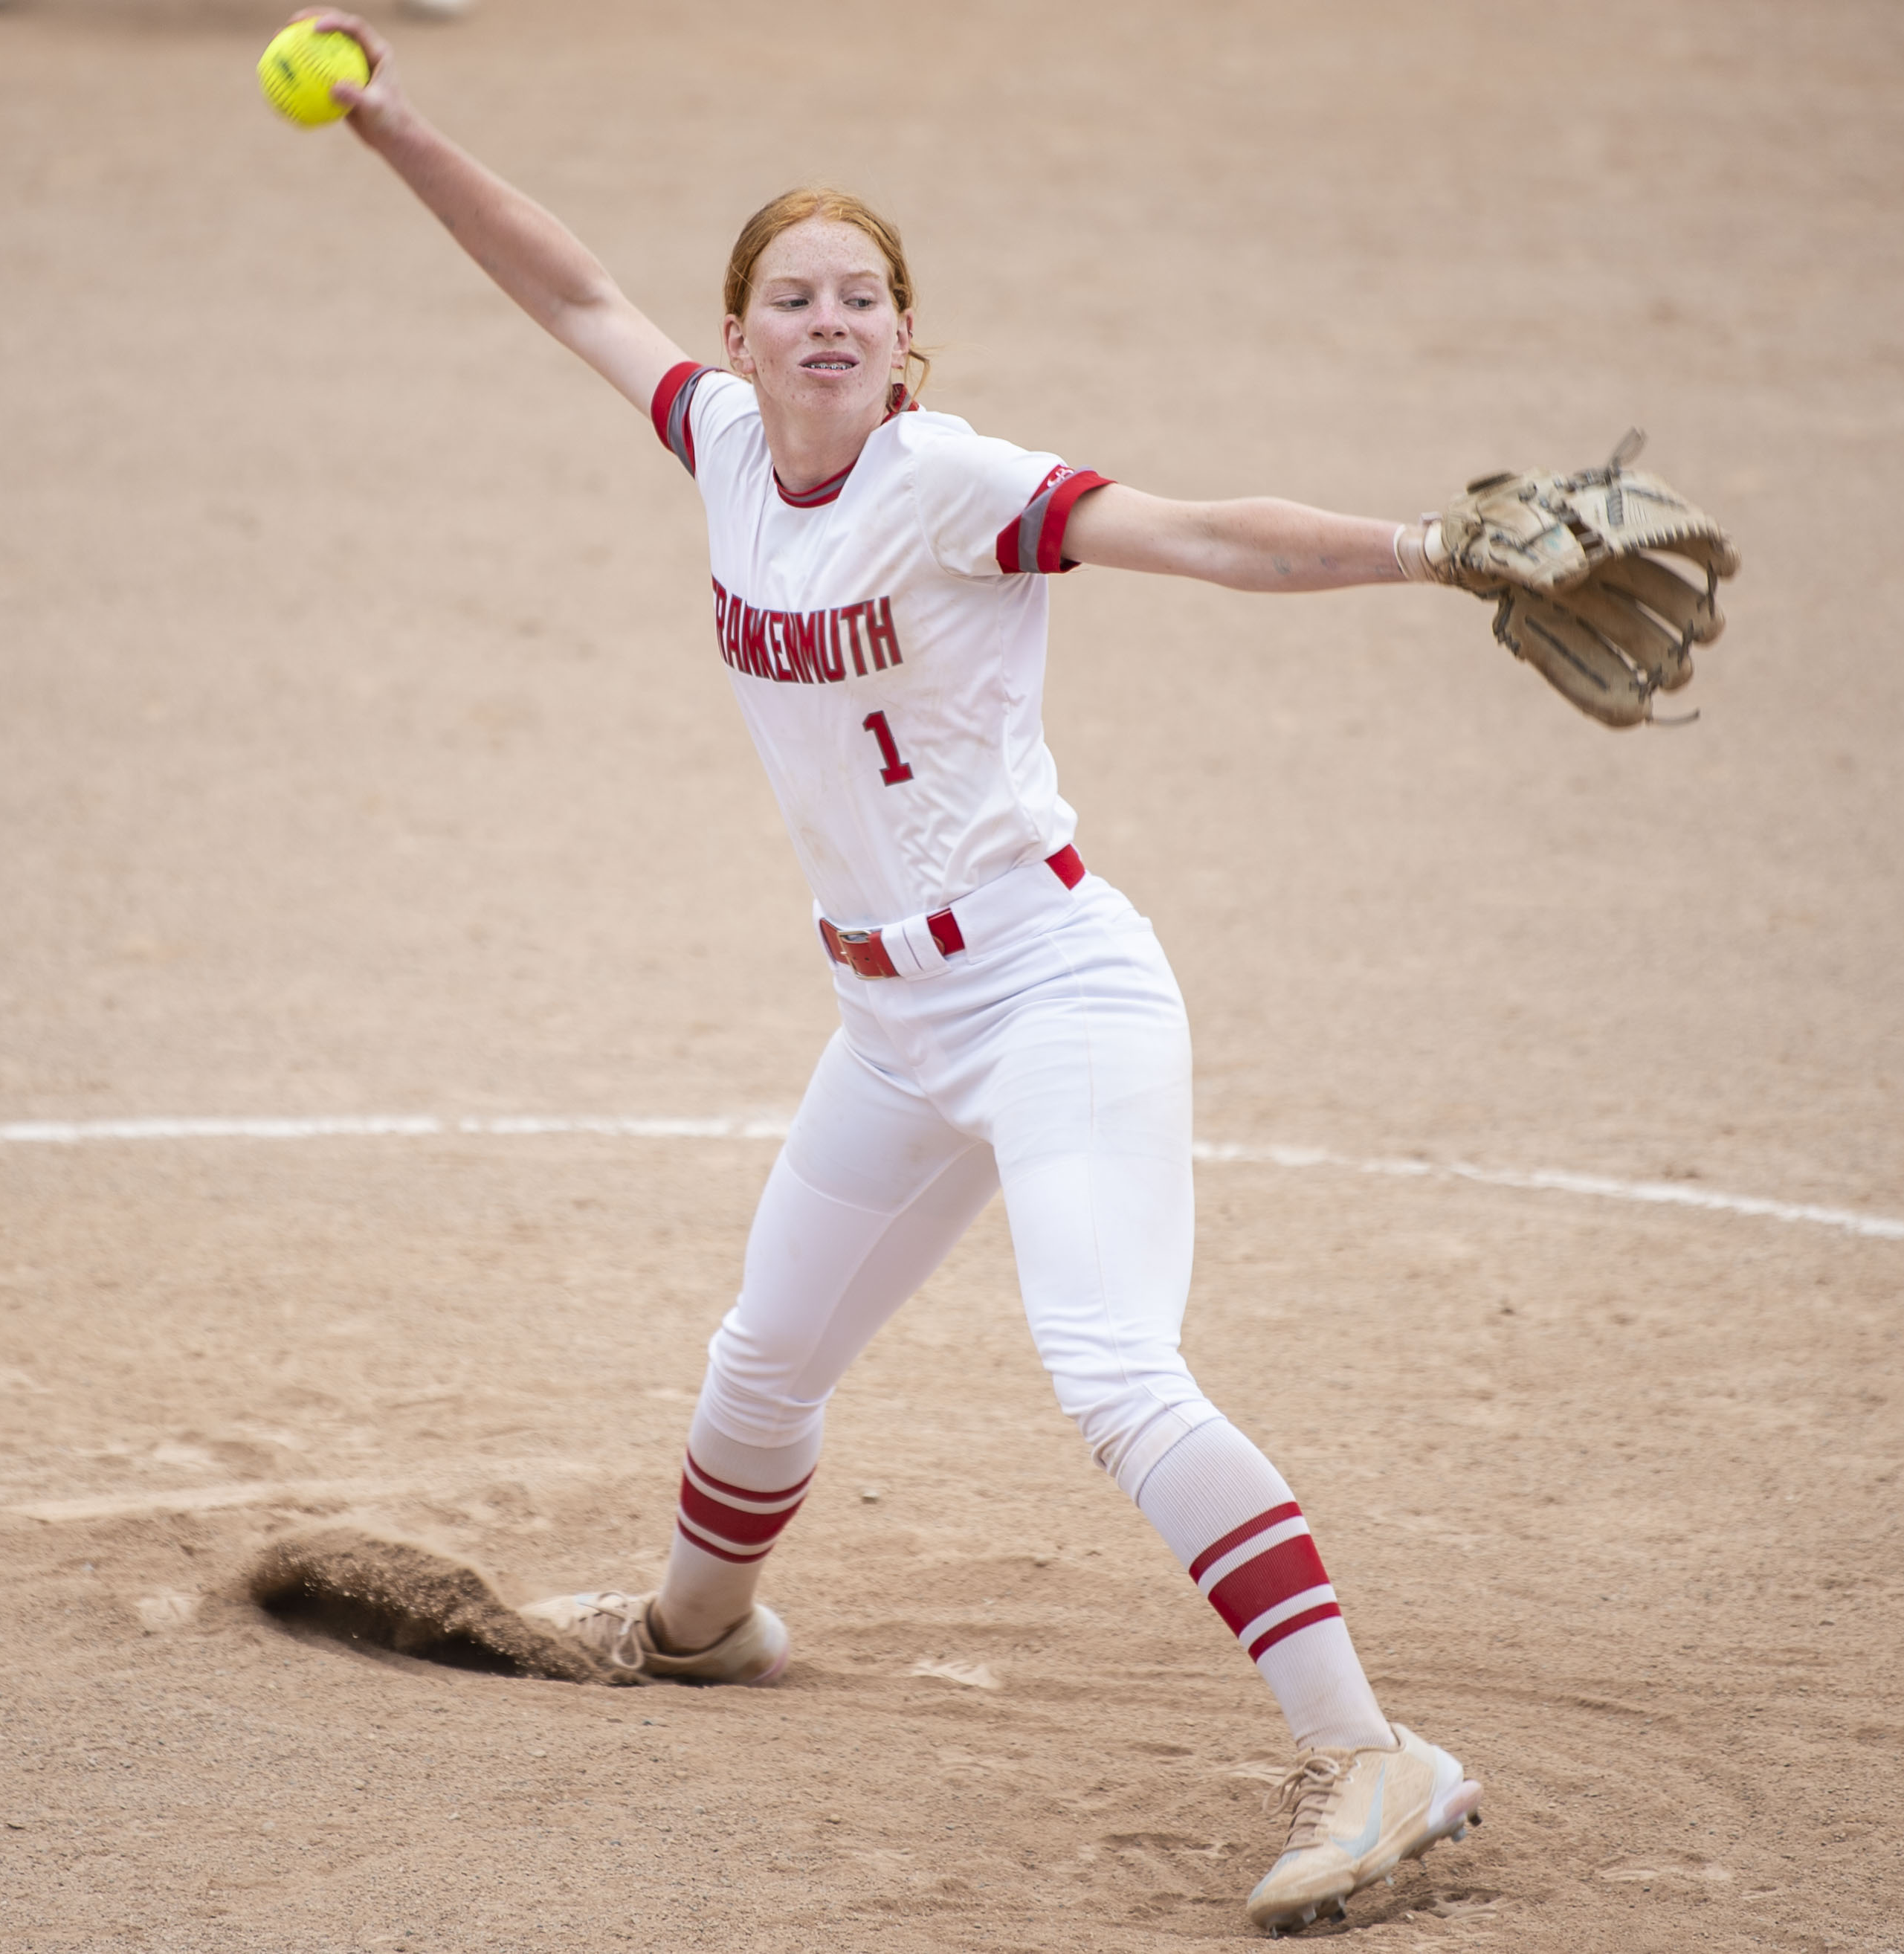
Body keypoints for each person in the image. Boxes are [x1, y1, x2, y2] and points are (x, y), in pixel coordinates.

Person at [293, 10, 1485, 1930]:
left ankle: (1375, 1753)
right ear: (744, 335)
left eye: (863, 296)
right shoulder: (723, 449)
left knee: (1109, 1368)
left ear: (905, 336)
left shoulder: (953, 480)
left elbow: (1196, 537)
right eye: (793, 297)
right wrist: (391, 125)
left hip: (1052, 990)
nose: (829, 321)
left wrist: (1434, 551)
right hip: (890, 1019)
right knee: (764, 1362)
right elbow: (570, 285)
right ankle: (699, 1633)